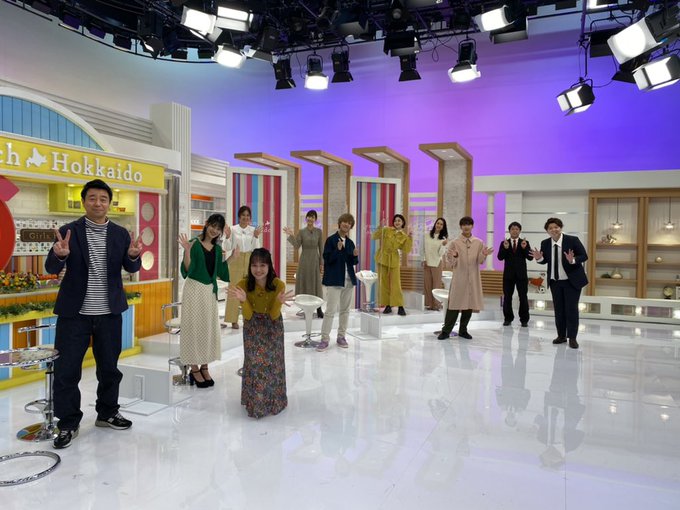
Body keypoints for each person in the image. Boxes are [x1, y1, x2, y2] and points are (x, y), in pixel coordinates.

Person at [46, 179, 142, 449]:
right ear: (84, 201)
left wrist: (133, 256)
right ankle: (67, 423)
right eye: (92, 198)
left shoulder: (120, 234)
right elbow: (51, 267)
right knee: (67, 370)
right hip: (74, 314)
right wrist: (59, 255)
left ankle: (107, 412)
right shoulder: (68, 231)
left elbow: (130, 267)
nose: (98, 203)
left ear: (109, 203)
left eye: (103, 199)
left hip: (109, 314)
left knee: (109, 368)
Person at [228, 248, 293, 418]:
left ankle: (274, 401)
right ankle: (255, 402)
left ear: (269, 266)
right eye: (254, 265)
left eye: (262, 265)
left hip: (273, 326)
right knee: (254, 363)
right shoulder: (243, 285)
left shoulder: (279, 285)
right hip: (252, 326)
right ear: (249, 266)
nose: (258, 270)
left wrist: (278, 302)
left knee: (273, 363)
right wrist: (244, 301)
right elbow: (248, 315)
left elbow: (274, 315)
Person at [177, 214, 231, 388]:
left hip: (208, 292)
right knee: (192, 327)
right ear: (206, 224)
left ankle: (205, 366)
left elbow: (220, 271)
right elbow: (186, 270)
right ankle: (194, 368)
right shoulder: (193, 243)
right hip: (193, 290)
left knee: (208, 328)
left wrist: (233, 257)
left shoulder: (217, 249)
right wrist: (186, 251)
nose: (214, 230)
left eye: (218, 228)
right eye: (213, 226)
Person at [531, 217, 588, 349]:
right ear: (547, 231)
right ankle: (561, 336)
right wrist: (539, 258)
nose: (554, 230)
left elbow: (584, 256)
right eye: (550, 228)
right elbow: (545, 260)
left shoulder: (572, 240)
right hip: (555, 282)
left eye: (556, 227)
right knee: (559, 310)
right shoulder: (545, 243)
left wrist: (573, 260)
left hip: (571, 281)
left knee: (571, 309)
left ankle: (572, 338)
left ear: (560, 228)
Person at [438, 216, 493, 340]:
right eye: (464, 224)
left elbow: (480, 261)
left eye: (468, 224)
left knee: (469, 304)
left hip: (473, 277)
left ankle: (463, 330)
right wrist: (455, 256)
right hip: (459, 278)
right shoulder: (455, 243)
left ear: (472, 226)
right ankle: (446, 331)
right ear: (460, 227)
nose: (466, 227)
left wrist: (483, 254)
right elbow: (450, 262)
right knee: (454, 304)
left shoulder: (478, 242)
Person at [317, 213, 359, 352]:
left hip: (348, 280)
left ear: (350, 226)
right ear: (340, 223)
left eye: (349, 223)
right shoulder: (331, 240)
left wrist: (355, 256)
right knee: (330, 311)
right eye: (344, 222)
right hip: (334, 280)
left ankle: (341, 336)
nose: (346, 224)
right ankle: (324, 339)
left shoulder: (350, 243)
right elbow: (327, 259)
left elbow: (352, 262)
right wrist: (337, 250)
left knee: (345, 310)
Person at [222, 205, 262, 329]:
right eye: (243, 215)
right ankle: (233, 319)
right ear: (239, 216)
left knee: (249, 290)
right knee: (234, 290)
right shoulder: (232, 229)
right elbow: (226, 247)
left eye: (248, 215)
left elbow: (256, 248)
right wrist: (227, 236)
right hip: (236, 259)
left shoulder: (253, 230)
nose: (245, 217)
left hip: (250, 260)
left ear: (250, 218)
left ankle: (248, 317)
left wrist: (256, 236)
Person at [283, 209, 324, 318]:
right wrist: (291, 235)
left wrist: (321, 263)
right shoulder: (301, 231)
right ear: (306, 218)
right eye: (309, 216)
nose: (310, 218)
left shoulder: (319, 232)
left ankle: (319, 308)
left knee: (315, 283)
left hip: (315, 260)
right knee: (305, 282)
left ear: (315, 219)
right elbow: (297, 246)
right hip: (304, 260)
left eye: (312, 217)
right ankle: (305, 307)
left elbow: (321, 248)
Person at [372, 213, 413, 315]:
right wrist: (380, 226)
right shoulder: (387, 230)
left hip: (394, 259)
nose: (397, 222)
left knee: (396, 284)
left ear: (402, 223)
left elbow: (406, 249)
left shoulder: (404, 236)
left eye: (399, 220)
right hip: (382, 258)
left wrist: (410, 238)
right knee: (383, 283)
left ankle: (400, 306)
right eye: (395, 220)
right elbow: (374, 236)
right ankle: (387, 305)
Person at [497, 221, 533, 327]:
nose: (514, 231)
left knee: (523, 297)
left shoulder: (525, 242)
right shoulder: (504, 243)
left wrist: (524, 248)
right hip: (508, 276)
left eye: (517, 229)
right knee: (507, 297)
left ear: (520, 231)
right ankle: (508, 318)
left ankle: (524, 320)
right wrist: (505, 248)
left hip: (521, 275)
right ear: (509, 231)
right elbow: (500, 257)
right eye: (512, 229)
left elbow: (530, 258)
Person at [423, 217, 448, 311]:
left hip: (437, 263)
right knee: (427, 285)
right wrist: (424, 259)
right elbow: (423, 249)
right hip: (427, 263)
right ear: (435, 224)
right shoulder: (427, 235)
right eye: (438, 223)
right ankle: (429, 304)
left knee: (436, 285)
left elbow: (440, 254)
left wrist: (443, 245)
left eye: (441, 224)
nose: (439, 225)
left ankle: (436, 305)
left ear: (443, 227)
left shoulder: (443, 239)